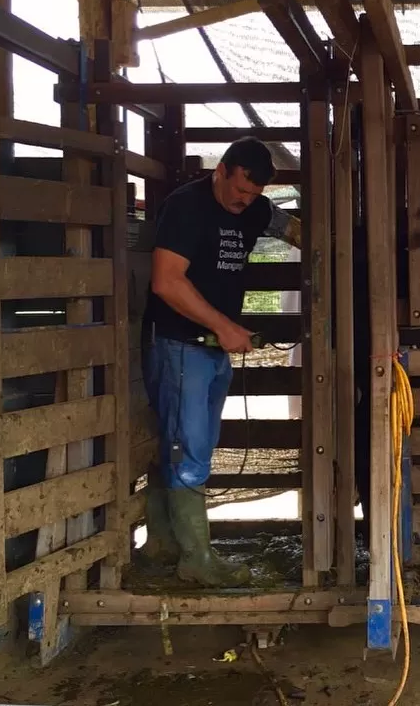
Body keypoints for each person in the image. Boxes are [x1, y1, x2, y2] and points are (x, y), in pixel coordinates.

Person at [139, 137, 301, 588]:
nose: (244, 200)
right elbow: (166, 282)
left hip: (211, 347)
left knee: (194, 443)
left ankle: (163, 546)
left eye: (254, 193)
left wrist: (329, 243)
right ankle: (195, 559)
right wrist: (225, 326)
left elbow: (295, 230)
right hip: (179, 343)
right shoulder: (186, 206)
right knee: (187, 447)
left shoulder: (255, 209)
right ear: (222, 171)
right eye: (240, 189)